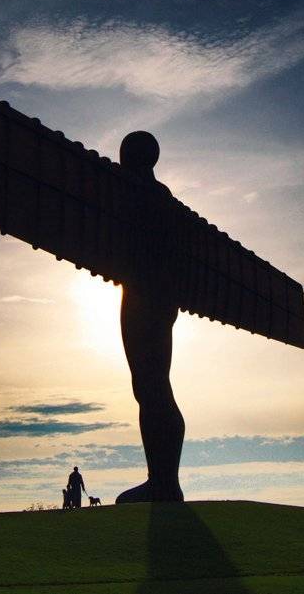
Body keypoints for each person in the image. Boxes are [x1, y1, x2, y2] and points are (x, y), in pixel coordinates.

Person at [114, 131, 186, 504]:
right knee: (152, 384)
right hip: (160, 298)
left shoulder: (131, 190)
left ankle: (163, 481)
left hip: (144, 296)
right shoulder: (165, 198)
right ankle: (161, 479)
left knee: (151, 384)